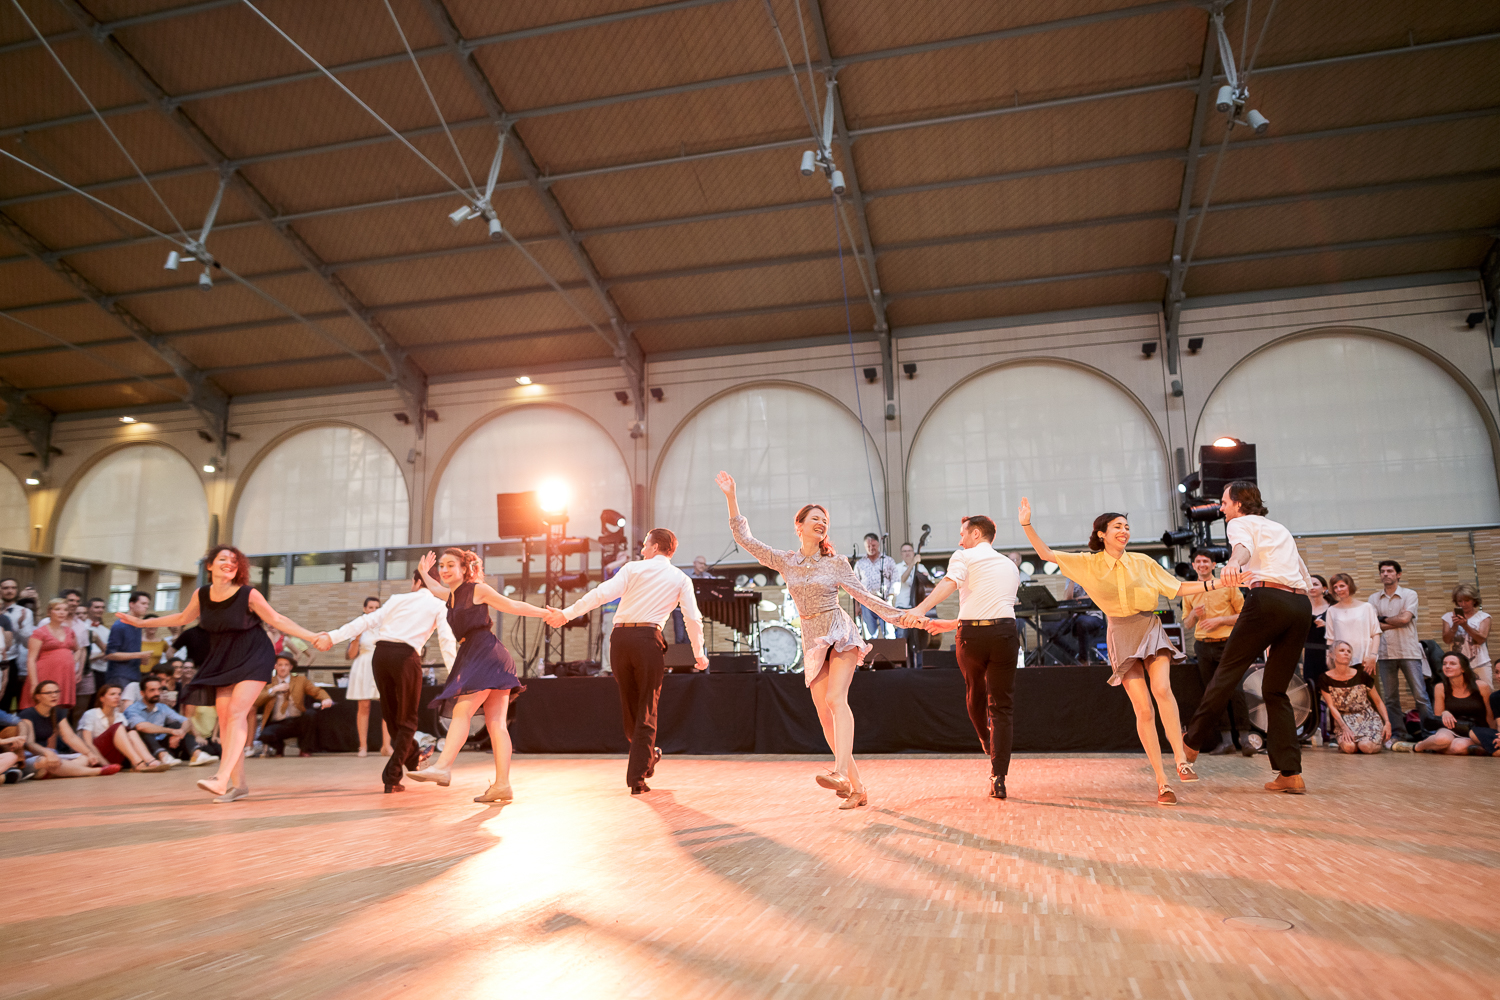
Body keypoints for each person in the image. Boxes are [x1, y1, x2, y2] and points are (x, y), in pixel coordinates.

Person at [718, 471, 903, 809]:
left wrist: (901, 617)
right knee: (824, 714)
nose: (821, 522)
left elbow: (865, 597)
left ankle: (838, 772)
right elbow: (746, 539)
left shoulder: (836, 563)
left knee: (836, 698)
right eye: (814, 518)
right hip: (812, 639)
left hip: (840, 633)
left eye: (825, 520)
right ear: (799, 526)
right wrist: (731, 496)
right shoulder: (786, 561)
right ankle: (857, 787)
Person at [1020, 501, 1222, 806]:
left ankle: (1181, 759)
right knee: (1143, 710)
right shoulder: (1088, 564)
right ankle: (1162, 782)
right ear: (1101, 533)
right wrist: (1026, 525)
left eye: (1127, 526)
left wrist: (1216, 583)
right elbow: (1046, 555)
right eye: (1117, 526)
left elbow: (1177, 589)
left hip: (1149, 626)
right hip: (1120, 633)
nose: (1124, 531)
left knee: (1163, 689)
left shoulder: (1143, 562)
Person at [114, 545, 324, 803]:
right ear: (210, 565)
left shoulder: (248, 593)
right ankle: (240, 785)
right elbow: (182, 617)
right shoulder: (202, 594)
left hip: (254, 655)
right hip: (222, 658)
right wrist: (142, 622)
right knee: (225, 721)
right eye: (222, 559)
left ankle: (221, 778)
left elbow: (277, 619)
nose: (229, 563)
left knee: (236, 713)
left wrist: (312, 637)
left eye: (234, 560)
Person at [548, 528, 708, 794]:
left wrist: (567, 614)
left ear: (656, 547)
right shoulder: (680, 578)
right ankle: (643, 767)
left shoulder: (632, 569)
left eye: (646, 545)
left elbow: (600, 594)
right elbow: (693, 618)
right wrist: (699, 652)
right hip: (648, 640)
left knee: (631, 707)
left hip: (620, 640)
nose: (642, 549)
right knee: (647, 707)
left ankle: (641, 768)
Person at [1182, 481, 1313, 794]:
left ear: (1238, 503)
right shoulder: (1278, 528)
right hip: (1299, 605)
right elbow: (1303, 575)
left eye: (1224, 502)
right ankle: (1290, 773)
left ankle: (1190, 744)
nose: (1221, 508)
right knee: (1276, 690)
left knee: (1226, 673)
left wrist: (1233, 562)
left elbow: (1243, 549)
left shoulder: (1239, 523)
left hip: (1267, 602)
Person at [406, 548, 553, 803]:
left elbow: (512, 605)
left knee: (463, 711)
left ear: (464, 568)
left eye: (450, 565)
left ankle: (443, 767)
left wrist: (546, 613)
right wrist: (422, 573)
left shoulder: (477, 589)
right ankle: (502, 786)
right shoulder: (450, 595)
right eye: (441, 566)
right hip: (478, 652)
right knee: (496, 723)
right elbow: (434, 588)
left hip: (485, 652)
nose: (444, 570)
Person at [898, 514, 1020, 799]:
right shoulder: (1009, 565)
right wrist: (952, 623)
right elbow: (994, 607)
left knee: (975, 692)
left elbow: (950, 583)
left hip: (972, 638)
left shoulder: (963, 556)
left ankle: (984, 738)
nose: (959, 540)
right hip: (1005, 634)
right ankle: (998, 776)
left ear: (976, 534)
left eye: (962, 534)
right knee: (1002, 707)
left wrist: (920, 609)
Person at [318, 571, 457, 793]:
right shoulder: (439, 605)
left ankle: (412, 757)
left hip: (380, 655)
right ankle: (392, 774)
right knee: (408, 720)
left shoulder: (397, 599)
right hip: (405, 658)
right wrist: (456, 676)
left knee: (392, 717)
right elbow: (446, 642)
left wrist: (333, 637)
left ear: (417, 581)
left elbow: (365, 621)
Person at [1179, 551, 1247, 755]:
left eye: (1205, 561)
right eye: (1198, 561)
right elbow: (1187, 625)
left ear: (1213, 565)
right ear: (1193, 565)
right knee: (1212, 693)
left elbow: (1244, 615)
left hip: (1228, 644)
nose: (1202, 564)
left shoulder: (1226, 585)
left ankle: (1246, 741)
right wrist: (1193, 614)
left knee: (1236, 690)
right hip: (1203, 646)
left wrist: (1220, 621)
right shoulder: (1189, 591)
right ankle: (1227, 742)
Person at [1369, 559, 1433, 736]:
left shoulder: (1409, 594)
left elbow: (1405, 620)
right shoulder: (1373, 598)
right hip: (1384, 653)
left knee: (1420, 695)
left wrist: (1382, 619)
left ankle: (1429, 732)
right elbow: (1373, 625)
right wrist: (1395, 620)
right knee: (1390, 698)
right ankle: (1398, 733)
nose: (1385, 574)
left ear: (1398, 574)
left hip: (1408, 651)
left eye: (1389, 571)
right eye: (1382, 571)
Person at [20, 679, 121, 778]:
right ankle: (95, 771)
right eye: (48, 693)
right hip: (31, 757)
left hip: (50, 755)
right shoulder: (28, 714)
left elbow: (70, 737)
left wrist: (89, 753)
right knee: (45, 761)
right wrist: (47, 753)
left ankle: (57, 771)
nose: (54, 695)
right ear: (38, 696)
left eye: (56, 692)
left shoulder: (57, 712)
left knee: (85, 758)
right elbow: (29, 743)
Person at [1410, 652, 1493, 755]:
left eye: (1452, 663)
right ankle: (1418, 747)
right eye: (1445, 664)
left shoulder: (1481, 686)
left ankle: (1434, 748)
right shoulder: (1440, 687)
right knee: (1442, 739)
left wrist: (1493, 735)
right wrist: (1445, 712)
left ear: (1463, 669)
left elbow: (1490, 714)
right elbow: (1438, 716)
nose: (1447, 666)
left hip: (1475, 729)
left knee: (1458, 747)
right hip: (1451, 727)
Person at [253, 653, 333, 758]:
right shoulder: (268, 682)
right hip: (277, 722)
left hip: (297, 721)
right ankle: (279, 749)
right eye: (280, 665)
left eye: (286, 665)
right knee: (265, 736)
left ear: (290, 667)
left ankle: (304, 749)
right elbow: (257, 700)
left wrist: (326, 698)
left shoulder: (300, 680)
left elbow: (316, 691)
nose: (283, 668)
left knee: (310, 715)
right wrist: (274, 689)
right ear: (275, 666)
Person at [77, 681, 169, 772]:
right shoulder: (91, 714)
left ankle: (149, 760)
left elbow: (127, 741)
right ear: (102, 698)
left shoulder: (119, 716)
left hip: (115, 756)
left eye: (119, 694)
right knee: (118, 727)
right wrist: (106, 765)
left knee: (132, 732)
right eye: (112, 694)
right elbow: (87, 743)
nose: (117, 697)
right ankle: (138, 763)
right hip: (95, 757)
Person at [1320, 641, 1391, 755]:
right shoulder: (1324, 678)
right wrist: (1344, 728)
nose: (1346, 653)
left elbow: (1378, 702)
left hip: (1367, 718)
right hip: (1343, 720)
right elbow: (1331, 706)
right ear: (1332, 654)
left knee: (1366, 747)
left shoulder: (1362, 676)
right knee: (1349, 748)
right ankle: (1348, 743)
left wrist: (1387, 722)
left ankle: (1372, 741)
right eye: (1342, 650)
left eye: (1348, 651)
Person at [129, 673, 216, 765]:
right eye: (152, 690)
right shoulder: (133, 709)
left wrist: (180, 733)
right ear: (142, 693)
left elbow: (185, 721)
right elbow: (141, 726)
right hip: (144, 747)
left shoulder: (162, 707)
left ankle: (197, 755)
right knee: (145, 731)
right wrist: (171, 731)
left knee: (178, 725)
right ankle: (163, 756)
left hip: (164, 743)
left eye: (159, 689)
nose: (157, 693)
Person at [343, 596, 391, 758]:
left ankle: (386, 745)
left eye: (377, 607)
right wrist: (356, 637)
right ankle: (362, 746)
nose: (374, 610)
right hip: (363, 666)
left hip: (382, 665)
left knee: (386, 707)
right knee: (363, 706)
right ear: (365, 609)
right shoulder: (359, 625)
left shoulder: (386, 626)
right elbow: (350, 655)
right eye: (370, 607)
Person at [1323, 573, 1381, 694]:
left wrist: (1373, 656)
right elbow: (1330, 639)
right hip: (1342, 662)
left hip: (1365, 660)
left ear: (1350, 586)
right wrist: (1329, 660)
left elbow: (1375, 633)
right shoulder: (1331, 611)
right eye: (1335, 587)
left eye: (1342, 586)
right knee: (1347, 698)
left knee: (1372, 697)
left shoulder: (1366, 607)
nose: (1339, 590)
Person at [22, 597, 82, 711]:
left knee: (60, 708)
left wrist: (73, 660)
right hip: (45, 673)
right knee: (42, 706)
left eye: (65, 610)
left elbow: (79, 649)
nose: (62, 612)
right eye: (58, 609)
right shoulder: (39, 632)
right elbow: (31, 659)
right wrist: (34, 683)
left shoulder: (70, 631)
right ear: (49, 612)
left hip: (64, 674)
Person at [104, 591, 155, 691]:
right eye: (143, 603)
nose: (146, 607)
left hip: (135, 674)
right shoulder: (119, 625)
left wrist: (142, 658)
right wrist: (139, 655)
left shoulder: (138, 625)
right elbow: (110, 654)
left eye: (147, 604)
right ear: (131, 604)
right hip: (119, 675)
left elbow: (130, 650)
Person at [1443, 584, 1492, 688]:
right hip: (1457, 665)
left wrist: (1465, 625)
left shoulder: (1484, 617)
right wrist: (1454, 626)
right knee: (1459, 693)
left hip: (1480, 663)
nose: (1463, 604)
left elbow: (1481, 639)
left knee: (1486, 692)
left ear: (1474, 600)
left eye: (1467, 600)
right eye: (1460, 601)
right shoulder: (1448, 617)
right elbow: (1447, 640)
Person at [852, 533, 898, 640]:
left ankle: (892, 655)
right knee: (869, 635)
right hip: (867, 602)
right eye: (868, 546)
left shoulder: (887, 561)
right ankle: (871, 655)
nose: (871, 548)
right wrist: (857, 605)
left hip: (885, 601)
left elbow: (895, 579)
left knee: (889, 632)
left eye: (873, 545)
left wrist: (890, 597)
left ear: (877, 544)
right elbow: (855, 585)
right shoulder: (860, 564)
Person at [1, 577, 35, 710]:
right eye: (5, 588)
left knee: (5, 700)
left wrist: (20, 626)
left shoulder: (25, 613)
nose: (9, 591)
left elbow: (27, 644)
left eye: (13, 588)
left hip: (9, 660)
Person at [1060, 576, 1107, 665]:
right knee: (1051, 628)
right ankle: (1074, 655)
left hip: (1094, 616)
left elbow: (1092, 597)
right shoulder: (1070, 576)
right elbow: (1066, 598)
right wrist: (1072, 580)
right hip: (1074, 617)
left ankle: (1083, 658)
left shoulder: (1093, 573)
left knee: (1081, 622)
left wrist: (1073, 600)